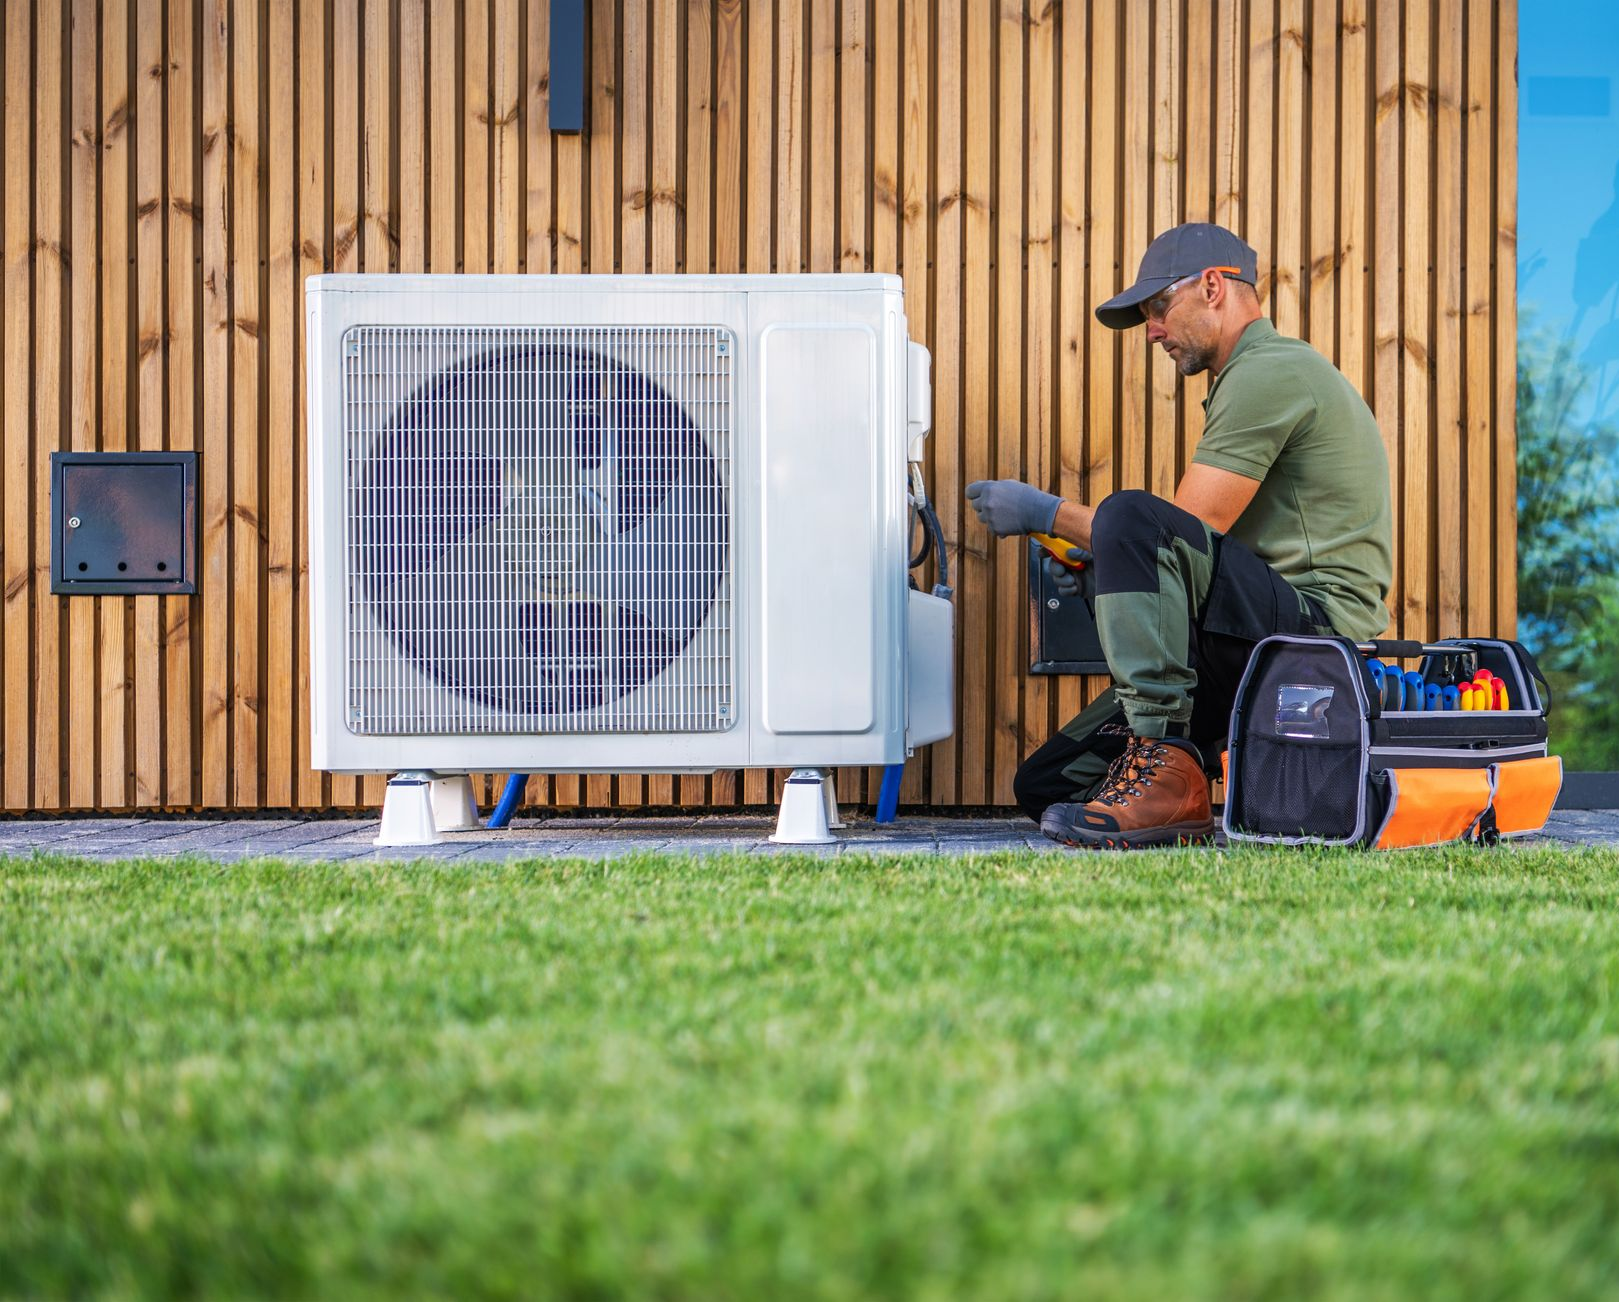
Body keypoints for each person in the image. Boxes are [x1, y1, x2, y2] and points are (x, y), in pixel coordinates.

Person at [965, 222, 1393, 849]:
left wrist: (1045, 512)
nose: (1154, 330)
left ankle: (1167, 764)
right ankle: (1169, 775)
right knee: (1049, 785)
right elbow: (1194, 559)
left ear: (1214, 286)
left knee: (1131, 515)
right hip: (1250, 637)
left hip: (1315, 638)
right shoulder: (1247, 378)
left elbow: (1182, 530)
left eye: (1160, 307)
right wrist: (1099, 565)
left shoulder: (1269, 372)